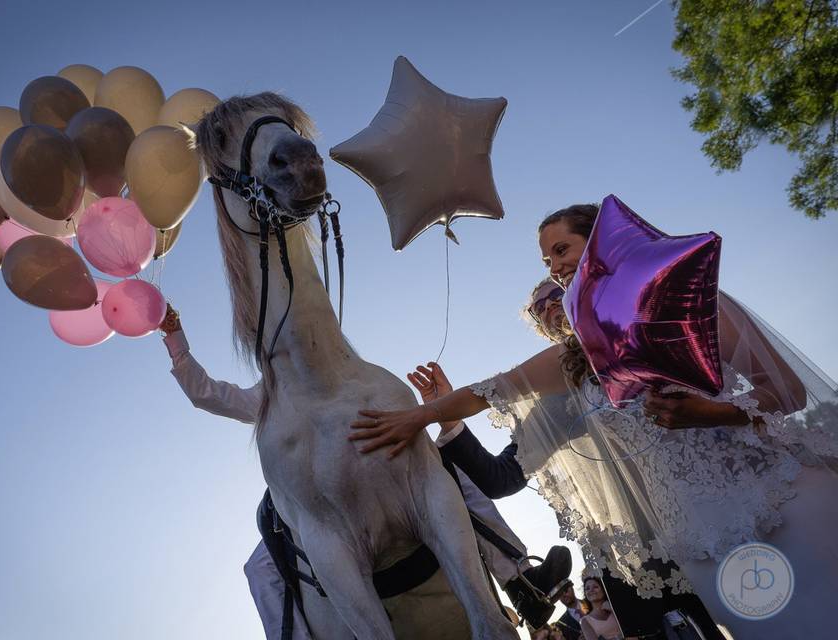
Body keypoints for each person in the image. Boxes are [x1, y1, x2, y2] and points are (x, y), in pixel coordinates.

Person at [349, 203, 838, 636]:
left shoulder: (682, 298)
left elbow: (788, 392)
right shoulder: (573, 361)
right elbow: (489, 393)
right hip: (700, 543)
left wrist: (712, 412)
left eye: (563, 250)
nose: (557, 267)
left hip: (773, 499)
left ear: (602, 243)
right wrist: (419, 416)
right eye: (547, 261)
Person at [157, 305, 570, 638]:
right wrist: (175, 340)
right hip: (313, 498)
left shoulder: (353, 376)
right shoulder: (265, 399)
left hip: (380, 469)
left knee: (448, 474)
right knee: (259, 569)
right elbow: (205, 394)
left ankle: (521, 580)